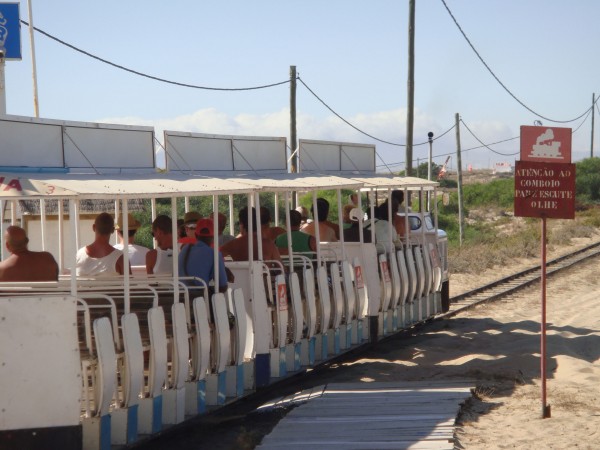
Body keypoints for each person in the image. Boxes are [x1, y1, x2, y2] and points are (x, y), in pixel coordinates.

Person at [179, 218, 228, 295]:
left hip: (180, 297)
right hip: (200, 300)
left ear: (196, 235)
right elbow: (222, 286)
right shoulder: (214, 254)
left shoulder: (185, 249)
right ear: (213, 237)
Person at [76, 212, 126, 277]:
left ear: (94, 227)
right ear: (113, 230)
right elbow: (130, 285)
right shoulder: (120, 258)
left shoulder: (79, 255)